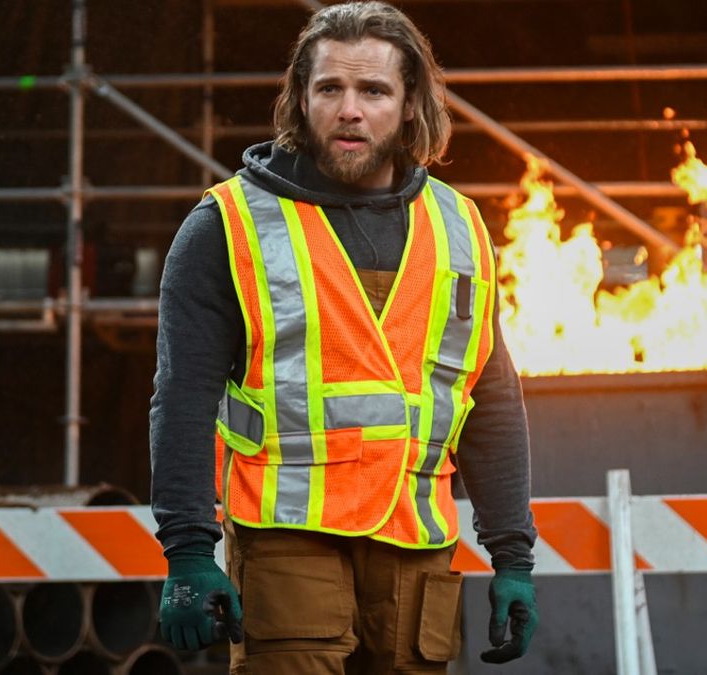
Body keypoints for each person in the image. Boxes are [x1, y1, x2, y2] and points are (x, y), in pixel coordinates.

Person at [150, 2, 538, 672]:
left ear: (411, 103)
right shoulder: (227, 227)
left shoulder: (461, 228)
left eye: (374, 91)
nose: (349, 110)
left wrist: (513, 556)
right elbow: (182, 399)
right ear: (302, 100)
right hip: (287, 547)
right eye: (330, 88)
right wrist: (188, 550)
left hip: (415, 549)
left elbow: (490, 398)